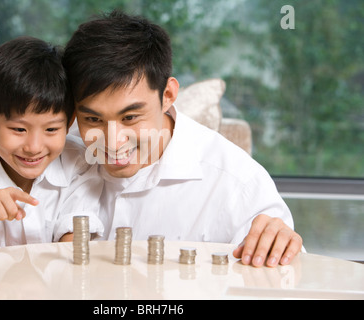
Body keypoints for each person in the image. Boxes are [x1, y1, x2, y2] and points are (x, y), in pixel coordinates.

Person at [63, 10, 303, 267]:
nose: (112, 142)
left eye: (130, 118)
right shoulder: (54, 152)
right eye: (93, 120)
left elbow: (288, 273)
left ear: (167, 95)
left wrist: (278, 242)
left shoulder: (236, 183)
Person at [0, 36, 103, 255]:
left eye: (51, 129)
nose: (33, 147)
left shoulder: (81, 163)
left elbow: (75, 242)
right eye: (19, 130)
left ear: (69, 122)